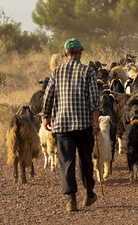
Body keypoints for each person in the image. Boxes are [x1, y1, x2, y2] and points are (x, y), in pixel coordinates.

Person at [42, 38, 100, 212]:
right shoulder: (88, 71)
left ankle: (71, 199)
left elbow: (48, 96)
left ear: (66, 54)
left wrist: (46, 117)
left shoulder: (56, 72)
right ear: (80, 52)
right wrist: (95, 122)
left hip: (62, 125)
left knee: (66, 161)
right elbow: (94, 100)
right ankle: (89, 193)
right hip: (84, 125)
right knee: (85, 159)